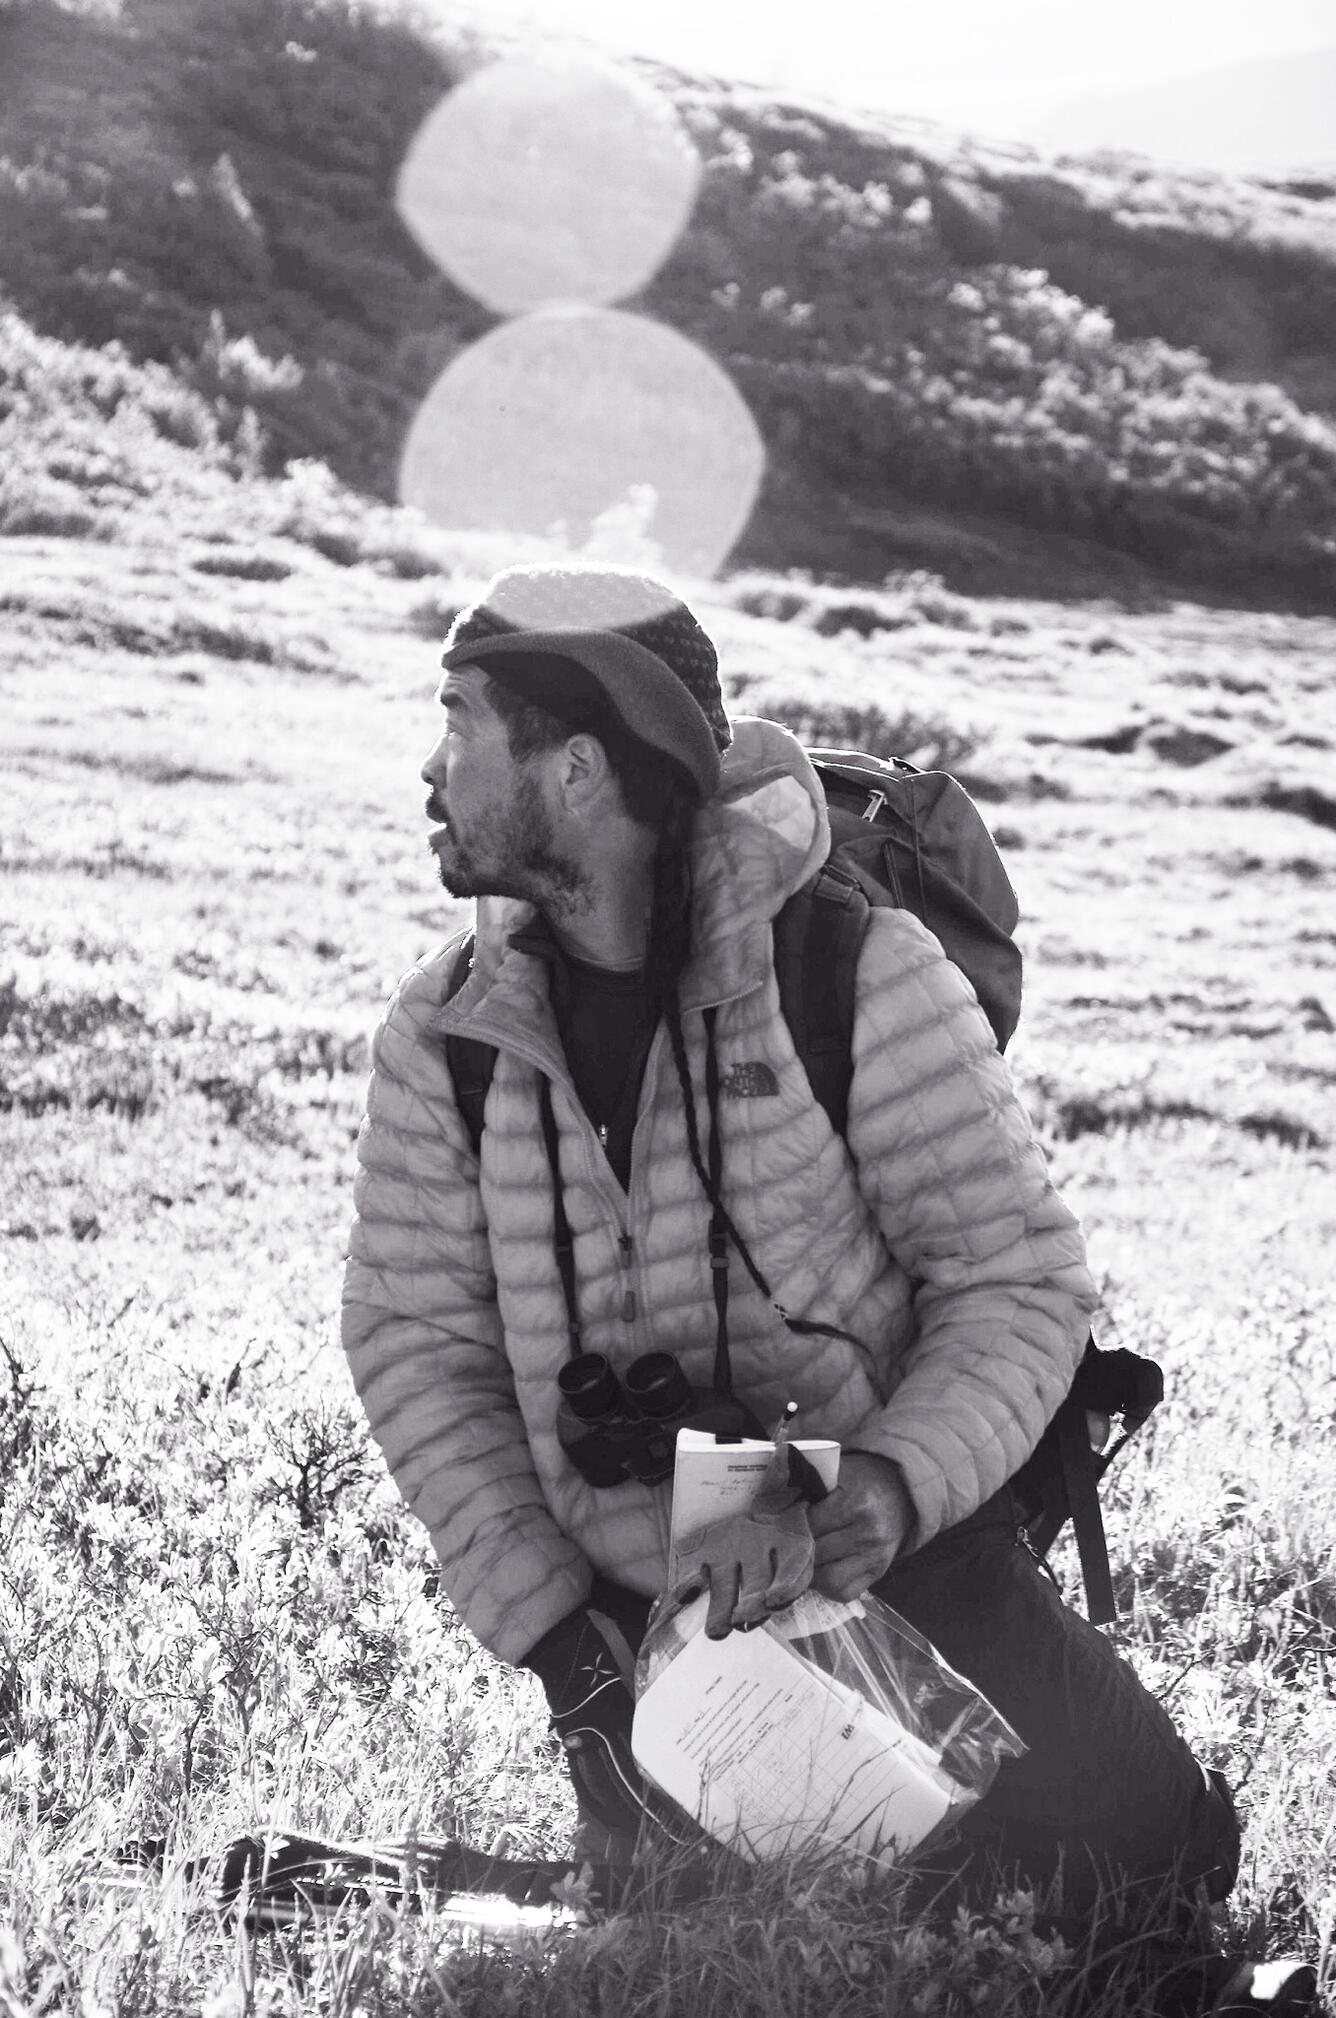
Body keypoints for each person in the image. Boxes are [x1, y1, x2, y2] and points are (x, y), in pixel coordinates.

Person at [341, 564, 1307, 2012]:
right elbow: (417, 1348)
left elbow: (1015, 1276)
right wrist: (567, 1648)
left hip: (892, 1559)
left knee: (1170, 1859)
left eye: (462, 722)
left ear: (581, 764)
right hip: (631, 1636)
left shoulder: (847, 968)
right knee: (740, 1939)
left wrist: (880, 1498)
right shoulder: (445, 1038)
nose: (430, 763)